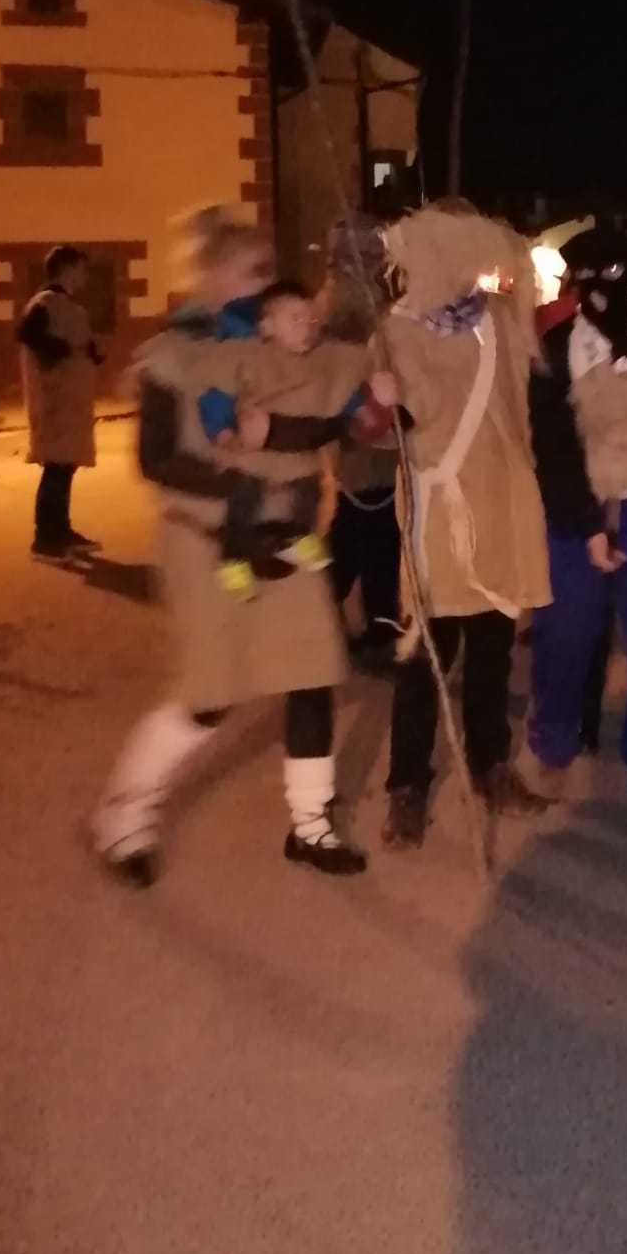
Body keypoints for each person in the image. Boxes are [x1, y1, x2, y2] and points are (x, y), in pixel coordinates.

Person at [91, 207, 370, 887]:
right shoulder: (172, 356)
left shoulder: (286, 347)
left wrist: (366, 406)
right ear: (212, 276)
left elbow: (330, 419)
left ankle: (311, 824)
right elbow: (156, 458)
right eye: (254, 269)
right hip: (206, 542)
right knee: (209, 695)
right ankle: (124, 814)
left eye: (270, 269)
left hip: (289, 542)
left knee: (310, 673)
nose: (268, 282)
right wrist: (243, 479)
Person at [381, 201, 553, 847]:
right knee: (424, 655)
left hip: (501, 505)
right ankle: (406, 785)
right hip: (439, 511)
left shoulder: (499, 321)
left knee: (491, 649)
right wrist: (383, 403)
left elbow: (521, 407)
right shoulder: (396, 331)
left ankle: (491, 765)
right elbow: (392, 426)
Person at [521, 225, 627, 828]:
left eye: (612, 276)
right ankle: (552, 749)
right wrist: (588, 523)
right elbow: (552, 441)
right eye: (586, 280)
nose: (600, 291)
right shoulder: (556, 343)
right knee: (564, 637)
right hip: (579, 507)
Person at [201, 279, 393, 601]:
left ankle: (298, 536)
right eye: (295, 320)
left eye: (311, 320)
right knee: (244, 498)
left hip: (300, 454)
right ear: (267, 326)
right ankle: (232, 559)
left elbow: (335, 391)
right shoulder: (246, 358)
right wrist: (222, 429)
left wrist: (364, 407)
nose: (306, 328)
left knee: (310, 489)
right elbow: (216, 390)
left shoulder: (321, 362)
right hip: (254, 453)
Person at [321, 215, 404, 670]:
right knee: (355, 532)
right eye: (369, 255)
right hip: (360, 436)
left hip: (378, 437)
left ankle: (381, 621)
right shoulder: (341, 308)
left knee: (381, 535)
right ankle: (318, 617)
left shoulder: (370, 302)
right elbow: (340, 373)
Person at [17, 244, 102, 558]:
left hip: (70, 403)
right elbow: (29, 337)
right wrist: (68, 350)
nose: (85, 276)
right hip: (55, 402)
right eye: (81, 269)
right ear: (68, 269)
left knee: (65, 467)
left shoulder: (65, 306)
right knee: (56, 468)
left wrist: (88, 353)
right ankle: (45, 538)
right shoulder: (45, 304)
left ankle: (61, 530)